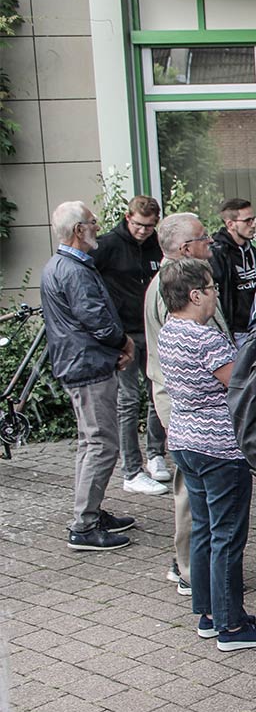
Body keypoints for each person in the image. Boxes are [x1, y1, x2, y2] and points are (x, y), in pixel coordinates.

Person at [156, 257, 256, 651]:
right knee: (228, 534)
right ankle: (230, 626)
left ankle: (210, 613)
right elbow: (239, 382)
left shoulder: (169, 331)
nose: (215, 296)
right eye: (211, 289)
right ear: (195, 295)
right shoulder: (204, 337)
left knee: (205, 529)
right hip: (219, 446)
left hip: (184, 439)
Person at [39, 201, 137, 552]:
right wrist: (123, 342)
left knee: (89, 442)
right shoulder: (74, 270)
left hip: (81, 363)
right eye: (93, 222)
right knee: (101, 444)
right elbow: (95, 318)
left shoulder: (61, 265)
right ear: (79, 230)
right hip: (88, 366)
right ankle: (84, 525)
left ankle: (90, 512)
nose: (98, 227)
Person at [146, 213, 228, 595]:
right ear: (184, 249)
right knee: (191, 499)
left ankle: (201, 572)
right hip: (187, 406)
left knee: (197, 496)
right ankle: (191, 572)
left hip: (186, 405)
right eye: (202, 238)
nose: (209, 243)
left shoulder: (181, 281)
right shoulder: (173, 288)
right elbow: (188, 353)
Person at [92, 194, 169, 496]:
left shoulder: (154, 245)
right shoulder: (109, 244)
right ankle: (131, 470)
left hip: (150, 330)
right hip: (123, 333)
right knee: (128, 400)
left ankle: (156, 454)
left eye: (149, 226)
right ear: (128, 218)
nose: (143, 231)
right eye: (138, 225)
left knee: (157, 392)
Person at [209, 197, 256, 347]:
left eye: (254, 219)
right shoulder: (218, 253)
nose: (253, 225)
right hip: (236, 330)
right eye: (247, 221)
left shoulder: (251, 250)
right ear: (230, 224)